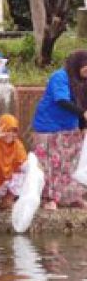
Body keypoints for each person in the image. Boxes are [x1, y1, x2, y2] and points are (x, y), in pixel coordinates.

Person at [31, 50, 87, 210]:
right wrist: (82, 113)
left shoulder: (82, 81)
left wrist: (83, 126)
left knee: (71, 163)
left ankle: (73, 197)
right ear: (78, 64)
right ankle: (49, 199)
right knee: (49, 164)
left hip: (70, 126)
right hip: (49, 126)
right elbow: (61, 99)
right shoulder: (60, 76)